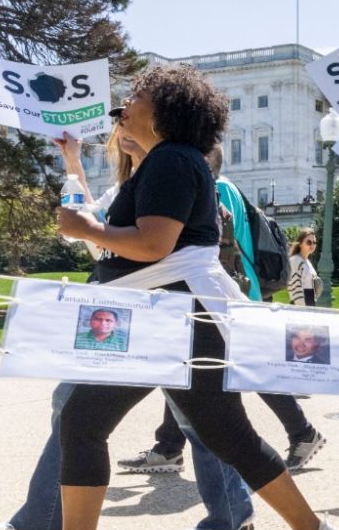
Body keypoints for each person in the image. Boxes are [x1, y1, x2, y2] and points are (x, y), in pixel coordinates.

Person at [52, 64, 339, 530]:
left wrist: (84, 231)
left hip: (173, 316)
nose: (125, 105)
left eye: (136, 95)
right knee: (223, 435)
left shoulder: (170, 162)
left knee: (86, 422)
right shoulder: (172, 162)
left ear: (164, 107)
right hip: (174, 314)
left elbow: (152, 243)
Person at [0, 125, 256, 530]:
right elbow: (98, 239)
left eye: (132, 124)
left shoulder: (179, 172)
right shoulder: (129, 186)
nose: (122, 129)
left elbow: (147, 244)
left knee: (200, 420)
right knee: (72, 405)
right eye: (119, 128)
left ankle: (240, 514)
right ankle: (47, 515)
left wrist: (95, 232)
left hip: (169, 313)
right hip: (123, 313)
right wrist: (74, 164)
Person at [118, 147, 328, 477]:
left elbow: (214, 243)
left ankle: (301, 433)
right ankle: (169, 447)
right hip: (219, 294)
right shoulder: (220, 188)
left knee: (227, 368)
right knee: (189, 366)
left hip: (226, 294)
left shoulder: (219, 189)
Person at [288, 228, 323, 307]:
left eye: (314, 242)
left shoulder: (307, 262)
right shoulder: (295, 260)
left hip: (310, 302)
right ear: (300, 244)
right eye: (309, 242)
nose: (312, 245)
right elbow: (295, 287)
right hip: (299, 304)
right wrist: (301, 308)